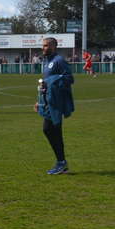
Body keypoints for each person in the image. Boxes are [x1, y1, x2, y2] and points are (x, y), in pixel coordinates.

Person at [35, 37, 74, 175]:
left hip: (56, 103)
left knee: (52, 130)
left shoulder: (59, 61)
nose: (43, 48)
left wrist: (52, 80)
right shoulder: (47, 62)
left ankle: (61, 163)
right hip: (47, 102)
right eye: (43, 45)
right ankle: (61, 162)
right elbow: (45, 84)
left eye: (46, 46)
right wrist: (39, 101)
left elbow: (69, 78)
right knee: (49, 130)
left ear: (54, 46)